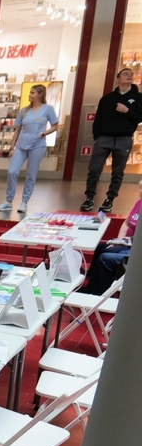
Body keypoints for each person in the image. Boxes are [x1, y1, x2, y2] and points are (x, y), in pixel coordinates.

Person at [82, 68, 142, 213]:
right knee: (94, 169)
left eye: (131, 75)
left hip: (124, 139)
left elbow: (140, 118)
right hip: (104, 138)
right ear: (118, 79)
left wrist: (127, 111)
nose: (129, 76)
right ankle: (89, 197)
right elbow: (98, 120)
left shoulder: (139, 98)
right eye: (125, 74)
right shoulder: (107, 98)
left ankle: (110, 199)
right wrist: (97, 137)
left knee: (118, 172)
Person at [0, 85, 60, 213]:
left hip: (37, 145)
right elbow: (17, 130)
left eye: (33, 93)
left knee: (31, 174)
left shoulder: (48, 109)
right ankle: (8, 201)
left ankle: (24, 202)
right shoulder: (24, 111)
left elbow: (55, 126)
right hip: (21, 145)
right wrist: (12, 147)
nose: (29, 95)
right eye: (30, 92)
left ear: (40, 94)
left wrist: (43, 134)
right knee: (12, 171)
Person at [82, 180, 141, 294]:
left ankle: (98, 292)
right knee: (100, 247)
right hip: (126, 242)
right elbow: (126, 223)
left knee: (105, 257)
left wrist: (126, 242)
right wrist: (118, 240)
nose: (141, 191)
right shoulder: (139, 203)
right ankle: (90, 280)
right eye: (140, 188)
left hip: (134, 247)